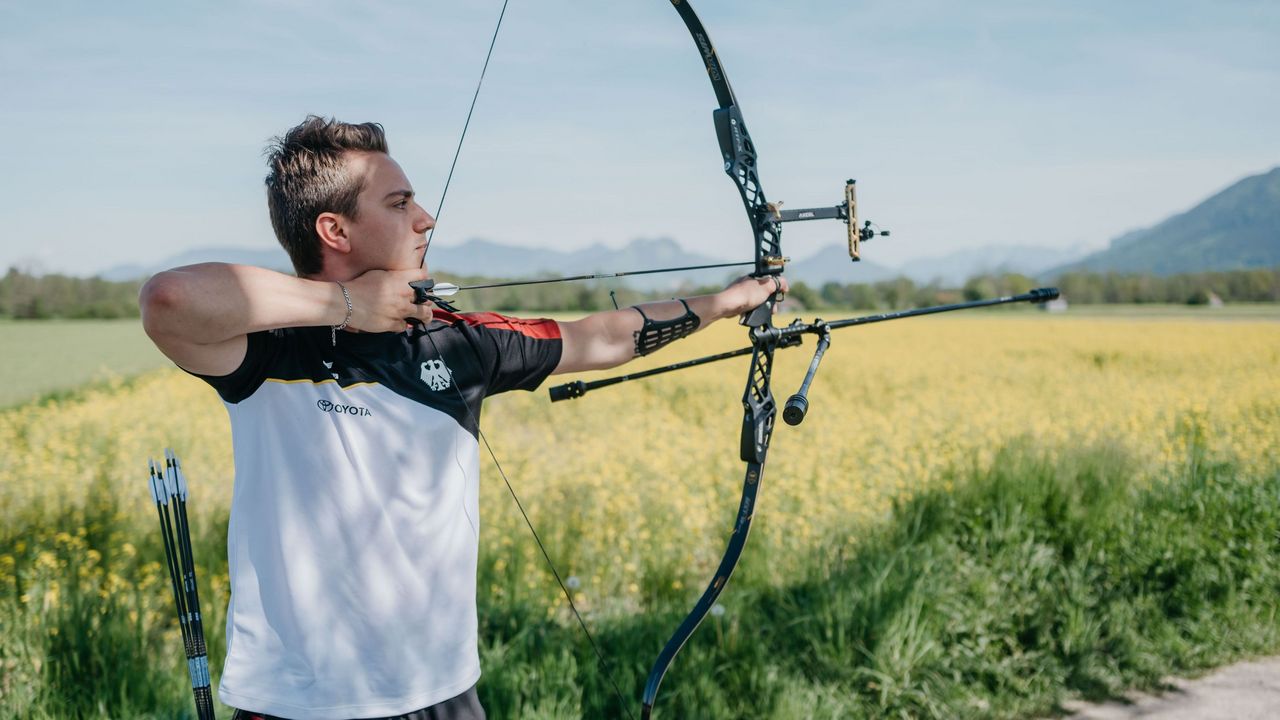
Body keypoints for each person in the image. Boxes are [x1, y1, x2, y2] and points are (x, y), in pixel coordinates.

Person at [139, 115, 787, 720]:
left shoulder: (456, 341)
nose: (425, 219)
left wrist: (728, 302)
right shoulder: (271, 348)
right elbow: (168, 300)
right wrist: (347, 304)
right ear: (334, 231)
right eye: (398, 204)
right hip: (298, 703)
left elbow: (602, 336)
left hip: (443, 694)